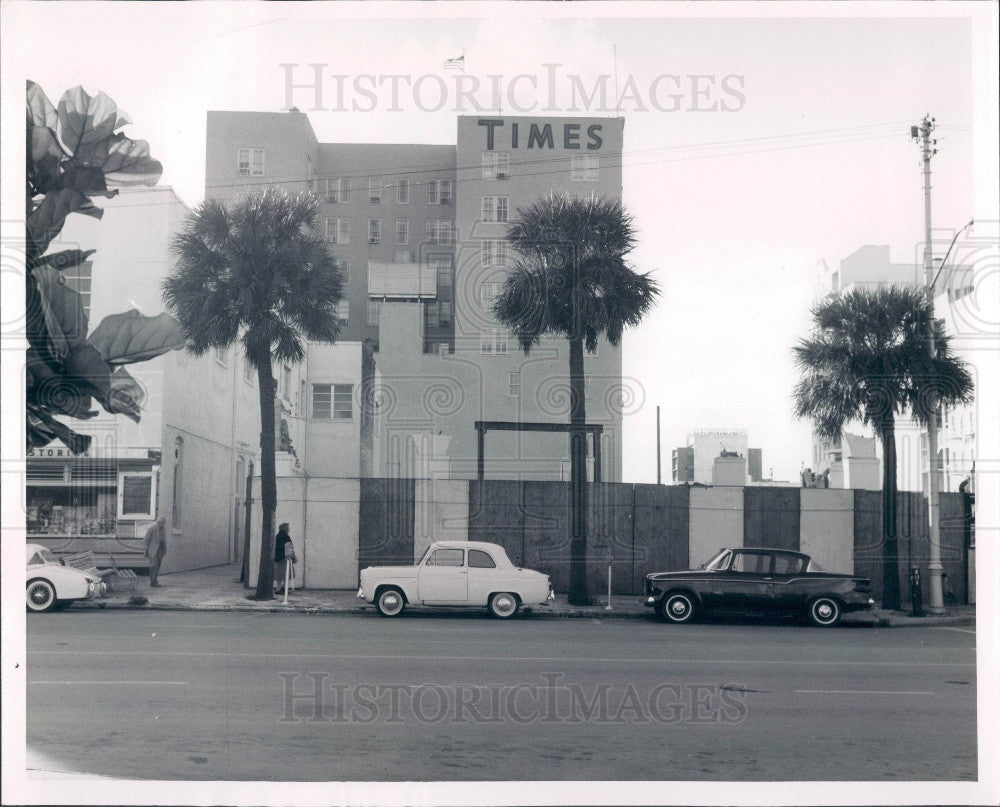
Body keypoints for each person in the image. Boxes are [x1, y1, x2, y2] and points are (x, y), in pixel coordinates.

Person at [144, 517, 167, 587]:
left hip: (160, 549)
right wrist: (146, 550)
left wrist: (164, 550)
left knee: (158, 566)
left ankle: (154, 580)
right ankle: (153, 581)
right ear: (158, 522)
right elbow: (146, 540)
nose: (163, 525)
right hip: (152, 550)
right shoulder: (152, 529)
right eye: (162, 523)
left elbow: (164, 540)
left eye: (164, 523)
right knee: (153, 566)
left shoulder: (163, 530)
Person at [274, 523, 297, 594]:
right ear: (286, 529)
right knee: (287, 573)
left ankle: (278, 588)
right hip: (285, 558)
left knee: (279, 574)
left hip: (277, 558)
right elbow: (289, 548)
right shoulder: (286, 537)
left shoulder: (277, 536)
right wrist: (294, 557)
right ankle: (283, 588)